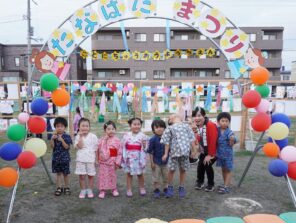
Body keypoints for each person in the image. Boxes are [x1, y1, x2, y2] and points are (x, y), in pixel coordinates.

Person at [161, 114, 197, 198]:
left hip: (185, 152)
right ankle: (170, 186)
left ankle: (182, 187)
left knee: (183, 170)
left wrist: (194, 150)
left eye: (174, 115)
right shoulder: (170, 128)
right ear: (170, 120)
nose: (173, 116)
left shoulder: (187, 126)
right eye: (170, 117)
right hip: (174, 153)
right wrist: (166, 153)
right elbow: (167, 142)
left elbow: (191, 138)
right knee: (171, 170)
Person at [193, 106, 218, 192]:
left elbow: (213, 141)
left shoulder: (210, 125)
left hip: (214, 151)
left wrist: (210, 155)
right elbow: (199, 139)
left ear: (204, 116)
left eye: (199, 115)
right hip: (205, 151)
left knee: (207, 164)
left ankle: (211, 184)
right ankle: (200, 182)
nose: (197, 118)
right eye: (195, 116)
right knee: (200, 165)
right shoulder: (199, 126)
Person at [121, 117, 148, 197]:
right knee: (129, 174)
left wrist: (144, 145)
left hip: (139, 158)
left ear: (141, 125)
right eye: (134, 124)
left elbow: (146, 149)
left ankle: (142, 187)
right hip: (129, 158)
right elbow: (122, 146)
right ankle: (129, 189)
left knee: (140, 174)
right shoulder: (126, 135)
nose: (137, 126)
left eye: (139, 124)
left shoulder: (143, 136)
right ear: (130, 125)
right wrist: (123, 157)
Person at [97, 121, 122, 199]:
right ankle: (102, 190)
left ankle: (113, 189)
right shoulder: (101, 140)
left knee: (112, 176)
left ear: (115, 129)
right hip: (103, 161)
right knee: (103, 176)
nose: (111, 130)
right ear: (105, 130)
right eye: (108, 129)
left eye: (113, 129)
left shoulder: (117, 140)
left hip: (112, 161)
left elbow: (119, 152)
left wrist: (117, 162)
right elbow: (98, 149)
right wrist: (97, 159)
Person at [74, 118, 98, 199]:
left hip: (91, 159)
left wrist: (96, 160)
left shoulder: (93, 136)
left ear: (89, 127)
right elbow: (79, 146)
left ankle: (90, 190)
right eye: (83, 126)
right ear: (79, 127)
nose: (85, 128)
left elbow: (96, 149)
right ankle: (83, 190)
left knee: (91, 176)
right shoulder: (77, 137)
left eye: (87, 126)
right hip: (81, 159)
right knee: (82, 176)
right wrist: (80, 136)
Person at [50, 117, 73, 196]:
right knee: (58, 174)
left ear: (65, 127)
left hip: (65, 159)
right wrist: (52, 140)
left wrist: (62, 140)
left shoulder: (67, 136)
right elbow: (52, 147)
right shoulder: (54, 136)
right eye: (57, 126)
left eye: (61, 126)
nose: (59, 128)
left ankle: (67, 187)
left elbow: (67, 147)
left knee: (65, 174)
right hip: (56, 159)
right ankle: (59, 187)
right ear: (55, 127)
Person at [216, 112, 236, 194]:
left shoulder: (230, 132)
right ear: (218, 122)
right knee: (223, 169)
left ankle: (226, 187)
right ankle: (225, 184)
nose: (224, 122)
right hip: (220, 154)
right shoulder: (217, 130)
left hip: (228, 155)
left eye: (226, 121)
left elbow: (231, 144)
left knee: (228, 170)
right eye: (222, 121)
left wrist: (232, 140)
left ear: (229, 122)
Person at [147, 119, 168, 198]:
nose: (159, 129)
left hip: (166, 162)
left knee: (166, 177)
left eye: (161, 127)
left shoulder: (167, 138)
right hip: (156, 162)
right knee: (156, 177)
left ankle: (166, 189)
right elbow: (150, 152)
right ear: (153, 130)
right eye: (157, 127)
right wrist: (152, 163)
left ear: (164, 128)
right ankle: (156, 190)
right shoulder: (152, 140)